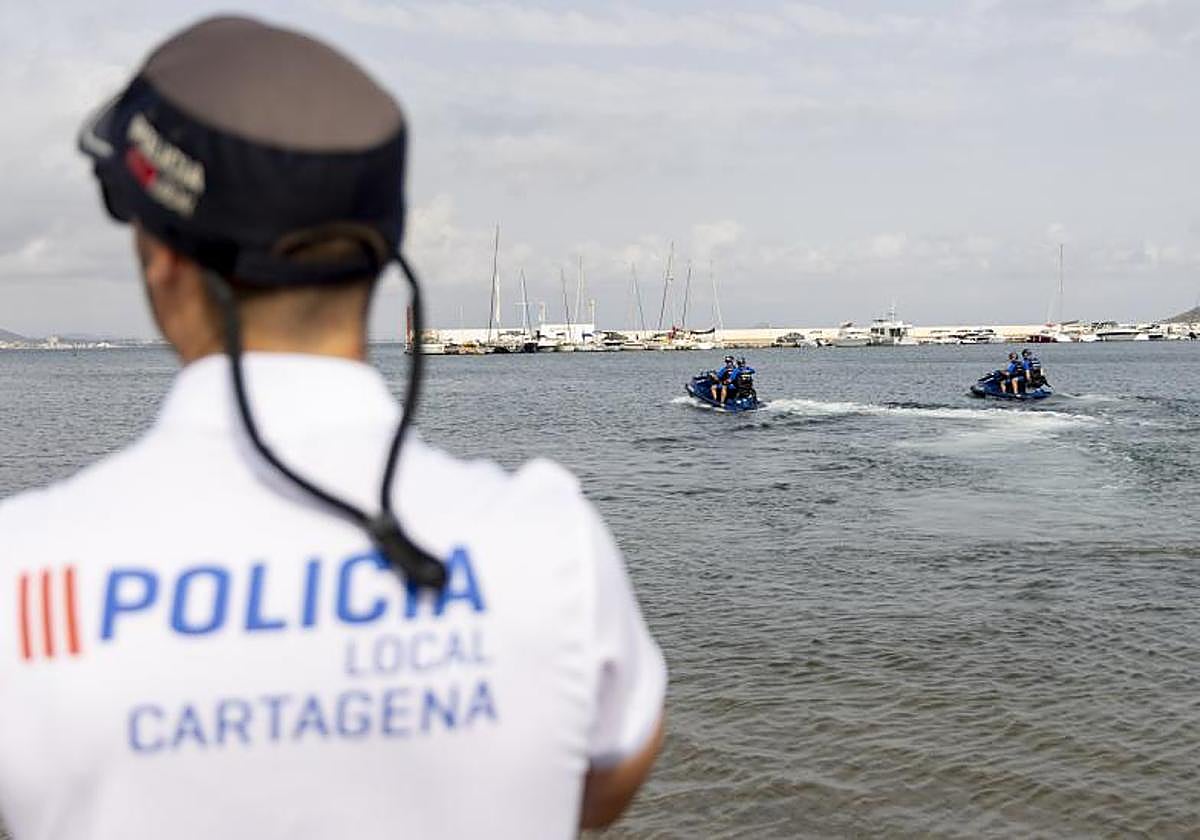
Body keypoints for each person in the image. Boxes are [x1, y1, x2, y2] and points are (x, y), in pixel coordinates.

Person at [0, 16, 665, 840]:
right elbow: (608, 776)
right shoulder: (554, 546)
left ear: (162, 255)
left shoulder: (22, 573)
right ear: (385, 254)